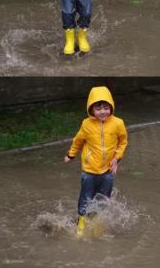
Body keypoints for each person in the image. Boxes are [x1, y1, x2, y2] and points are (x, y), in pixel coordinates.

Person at [63, 86, 127, 237]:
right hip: (89, 171)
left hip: (108, 171)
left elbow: (123, 142)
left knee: (104, 198)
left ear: (111, 107)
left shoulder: (118, 123)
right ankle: (81, 222)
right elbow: (77, 141)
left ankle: (99, 223)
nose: (103, 111)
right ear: (91, 109)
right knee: (86, 197)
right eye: (98, 108)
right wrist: (70, 155)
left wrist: (116, 158)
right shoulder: (86, 124)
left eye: (106, 107)